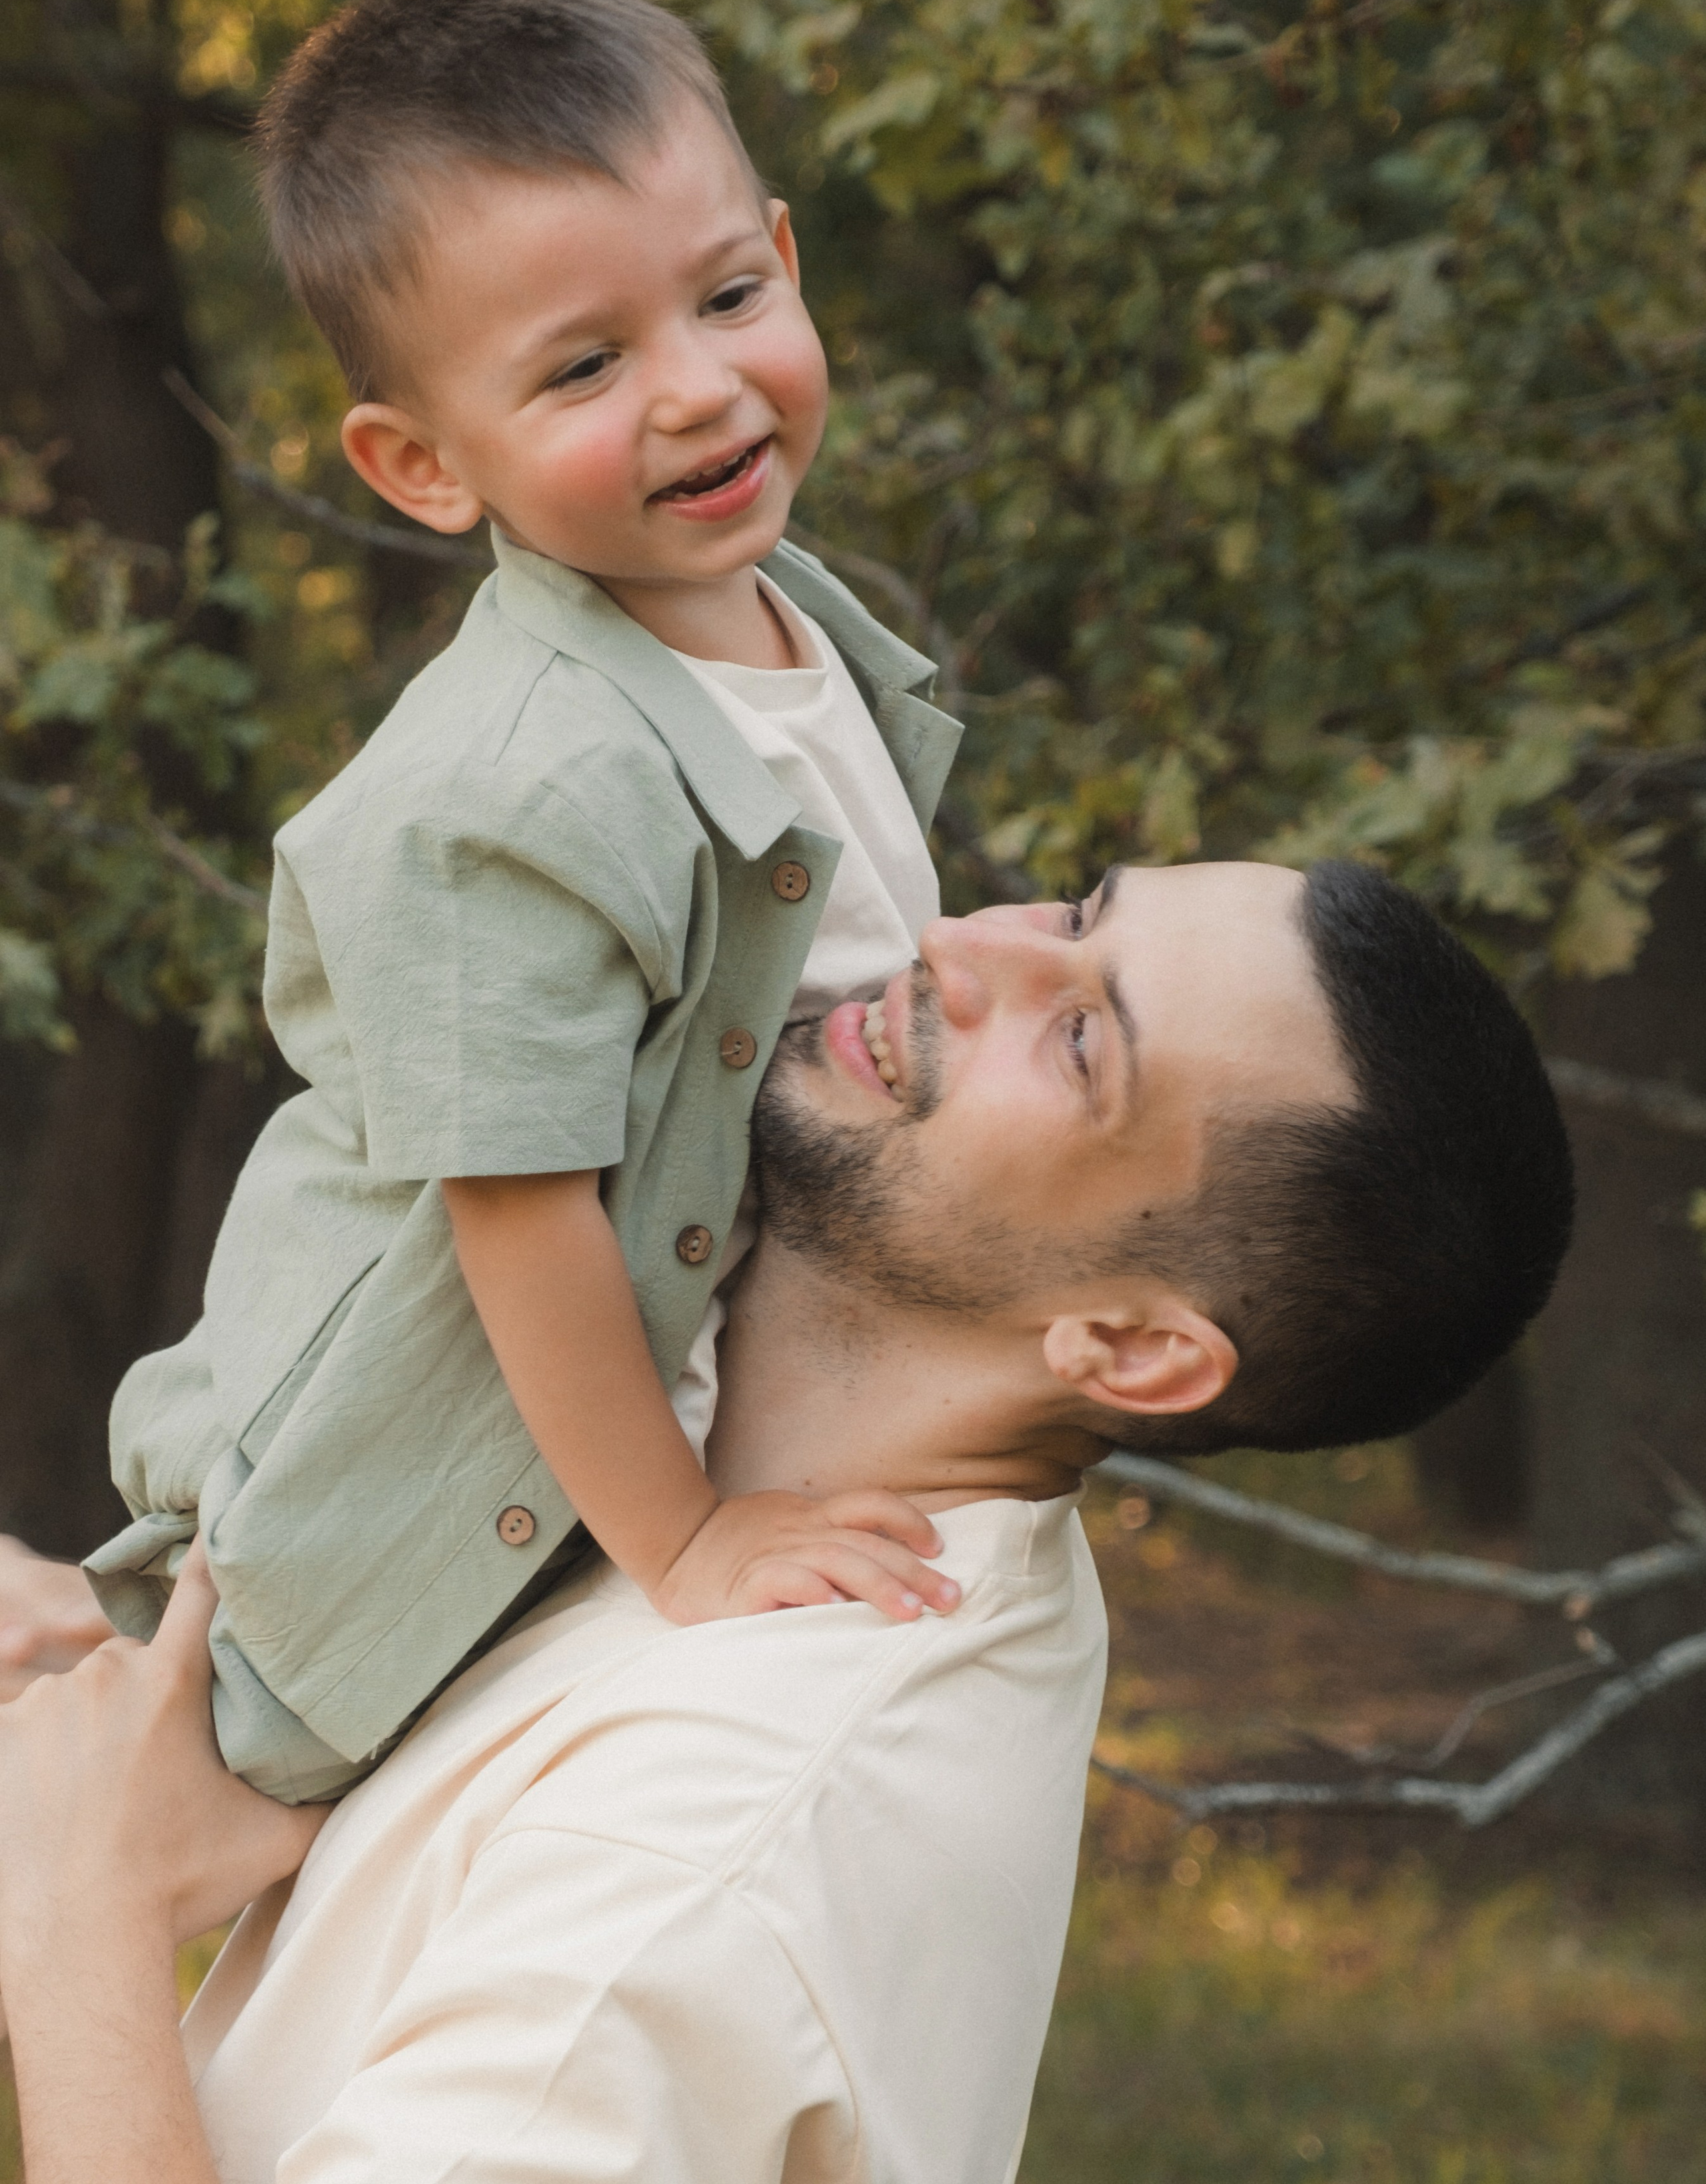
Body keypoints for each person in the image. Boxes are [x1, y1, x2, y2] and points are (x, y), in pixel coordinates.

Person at [0, 860, 1573, 2184]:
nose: (961, 947)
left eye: (1081, 1038)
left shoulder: (708, 1851)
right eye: (1076, 907)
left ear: (1130, 1348)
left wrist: (81, 1929)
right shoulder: (725, 1511)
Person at [85, 0, 967, 1805]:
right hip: (390, 1549)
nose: (697, 390)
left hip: (648, 1463)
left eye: (727, 297)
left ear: (786, 259)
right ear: (421, 464)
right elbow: (521, 1217)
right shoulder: (508, 791)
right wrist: (685, 1540)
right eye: (584, 365)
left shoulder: (805, 630)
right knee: (133, 1823)